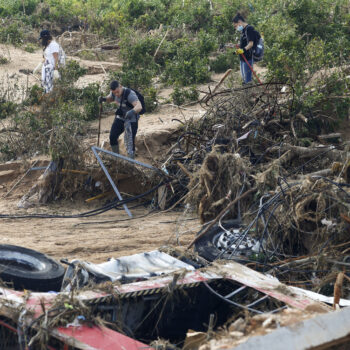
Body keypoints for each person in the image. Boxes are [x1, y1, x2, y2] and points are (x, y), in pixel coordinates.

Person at [99, 80, 142, 159]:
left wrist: (131, 112)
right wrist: (104, 99)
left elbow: (139, 107)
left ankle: (131, 163)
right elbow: (111, 98)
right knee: (112, 136)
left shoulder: (129, 94)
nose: (117, 94)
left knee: (130, 142)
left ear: (121, 86)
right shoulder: (114, 93)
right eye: (114, 92)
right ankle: (117, 159)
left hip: (131, 120)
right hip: (120, 118)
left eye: (118, 92)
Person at [232, 13, 258, 84]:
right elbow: (244, 43)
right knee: (244, 79)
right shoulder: (243, 30)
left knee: (247, 80)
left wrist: (242, 50)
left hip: (248, 57)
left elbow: (250, 44)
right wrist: (237, 47)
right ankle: (246, 93)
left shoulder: (249, 29)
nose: (235, 28)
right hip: (242, 58)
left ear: (239, 22)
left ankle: (249, 93)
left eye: (235, 26)